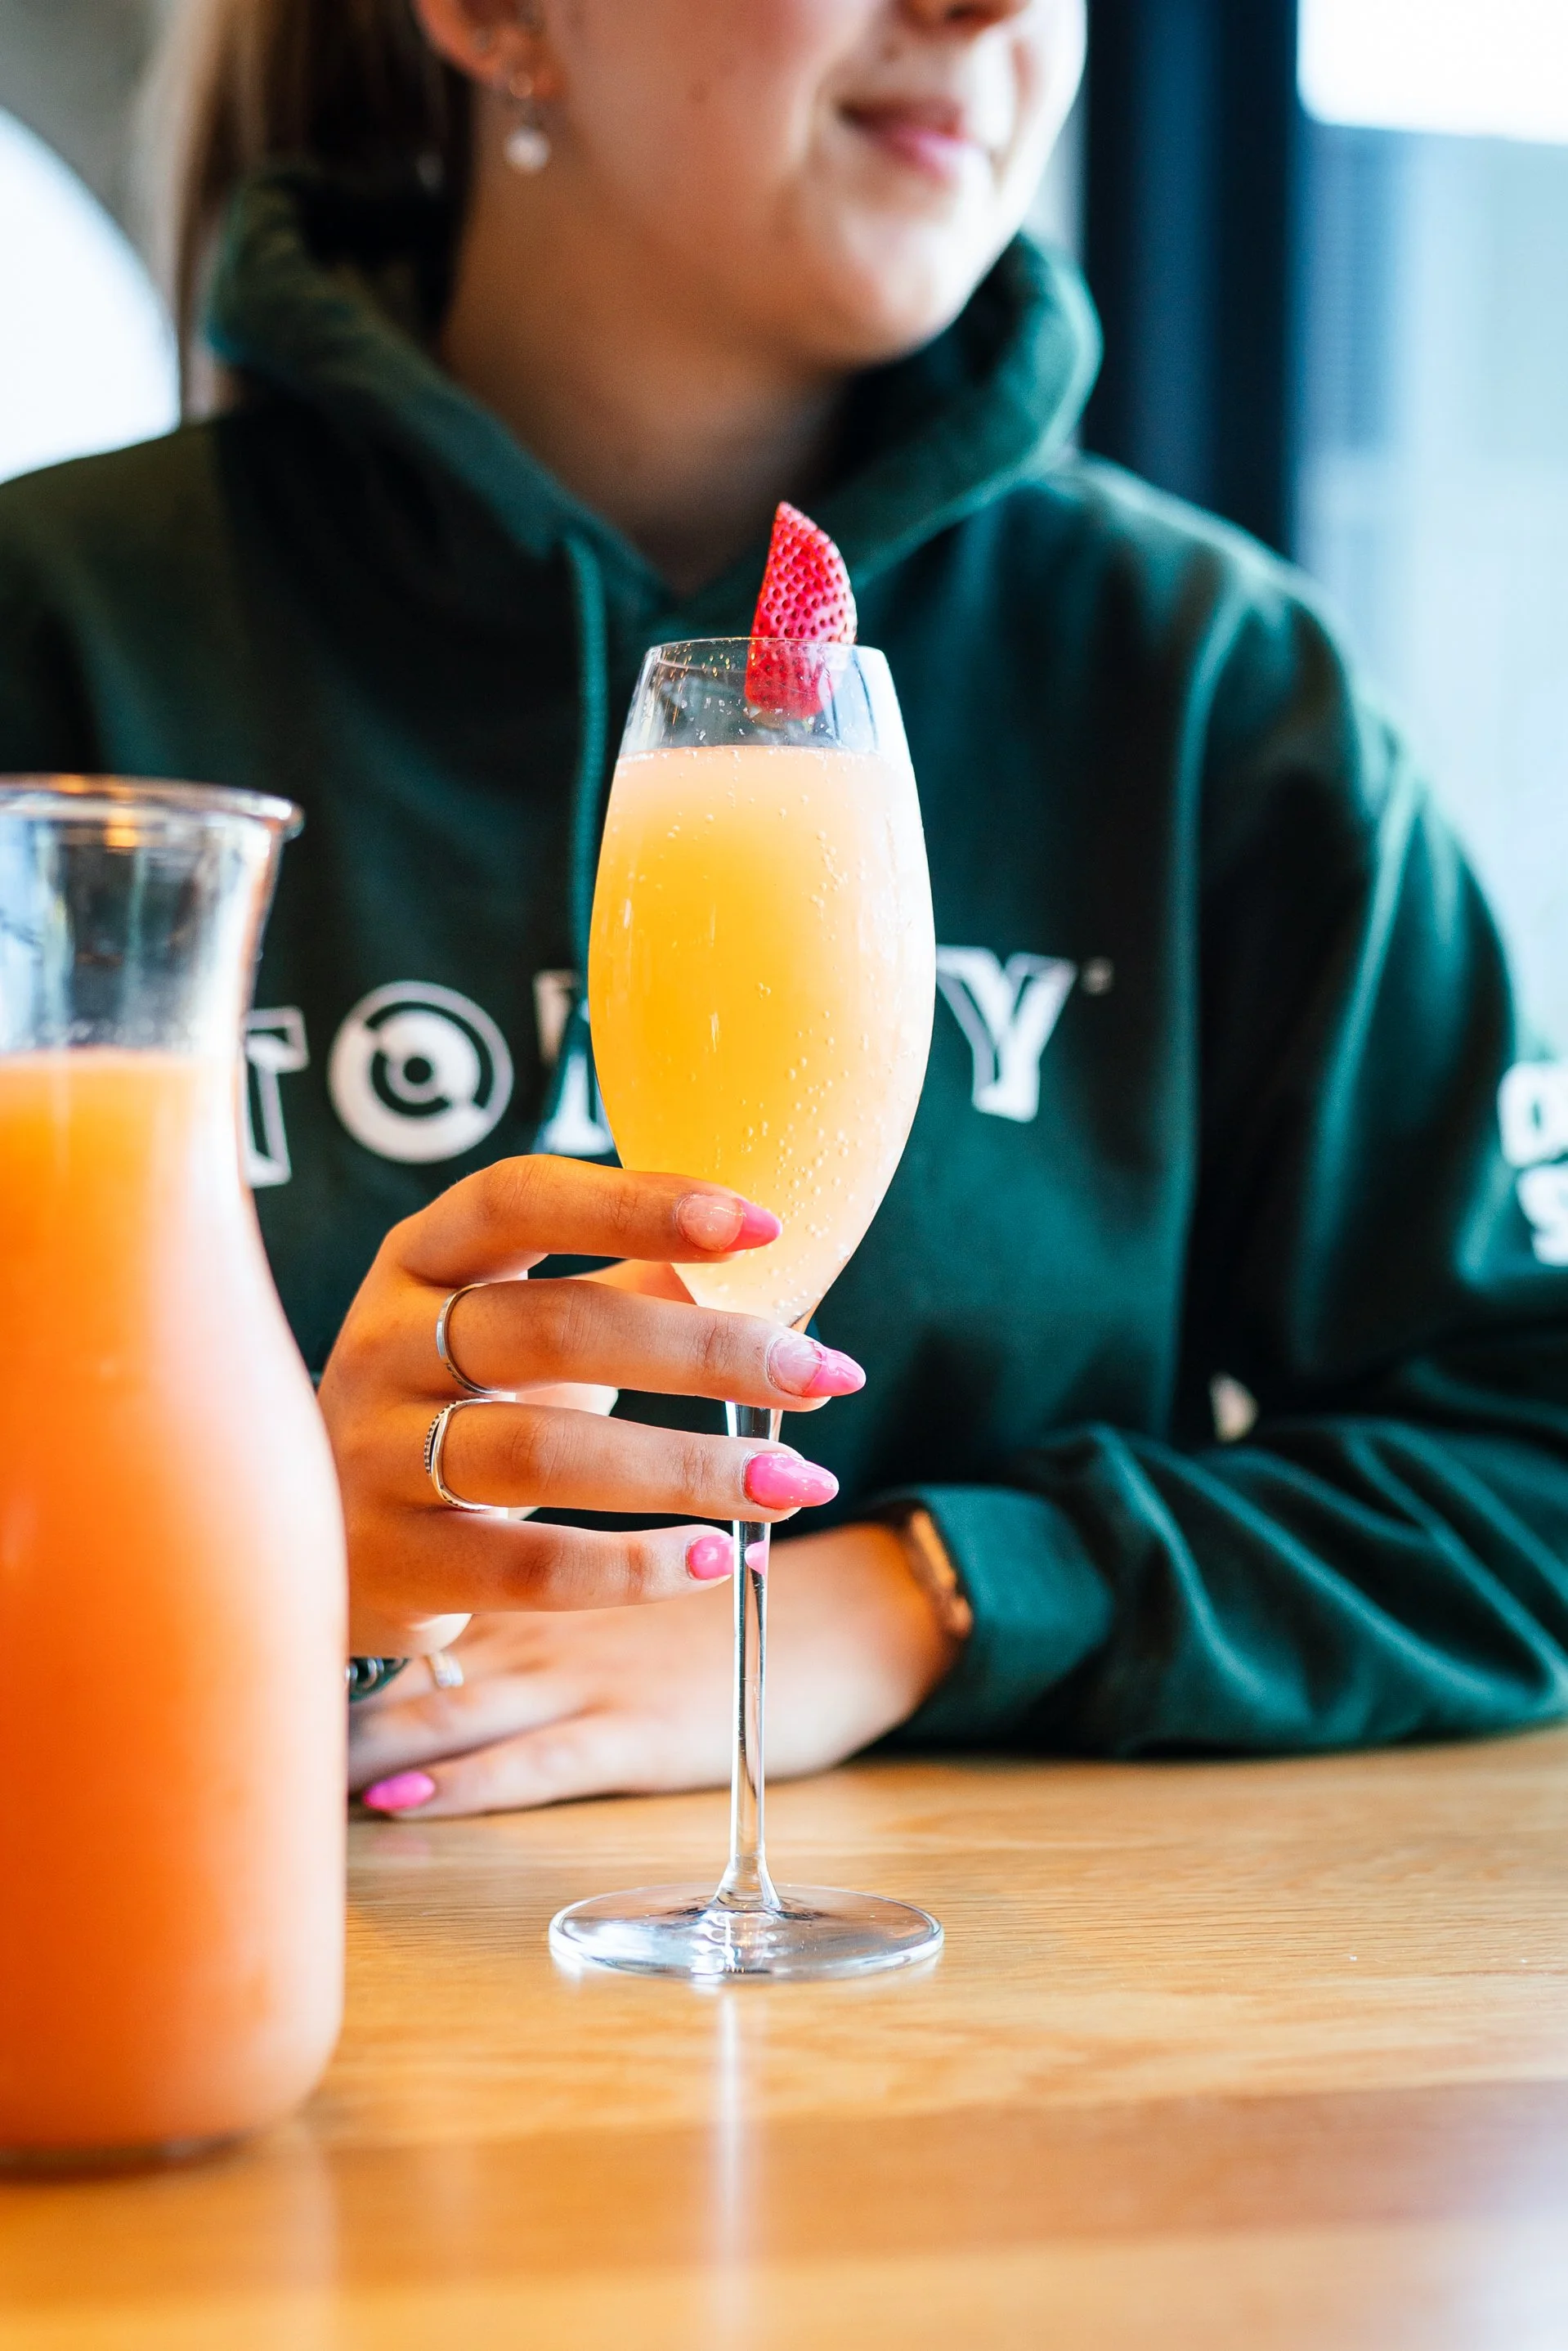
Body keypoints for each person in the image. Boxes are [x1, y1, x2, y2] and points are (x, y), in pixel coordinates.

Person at [3, 0, 1568, 1821]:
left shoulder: (1209, 694)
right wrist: (253, 1552)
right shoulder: (59, 648)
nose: (989, 11)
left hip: (1013, 1986)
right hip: (264, 1960)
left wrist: (918, 1600)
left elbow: (1526, 1446)